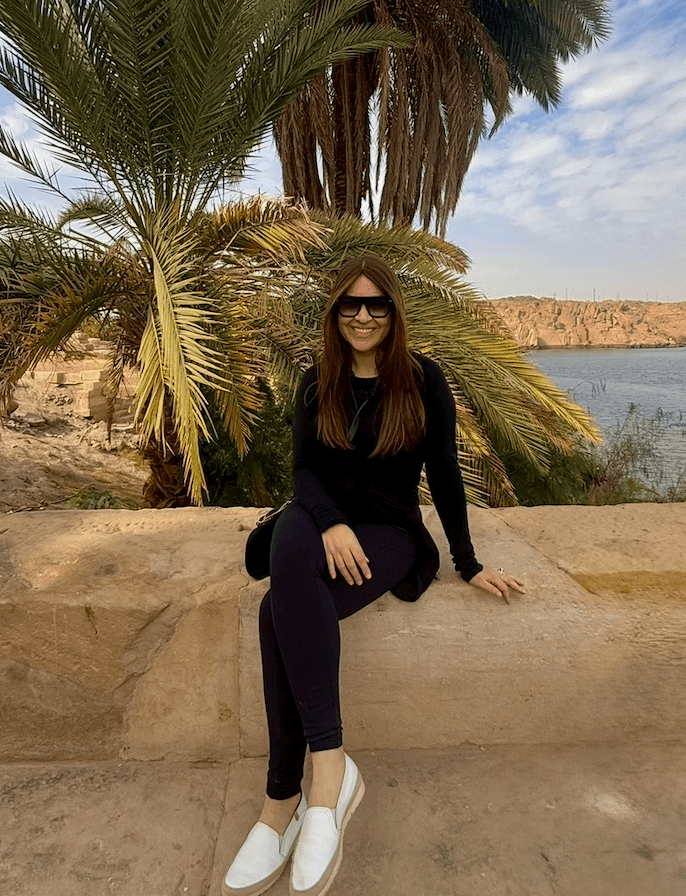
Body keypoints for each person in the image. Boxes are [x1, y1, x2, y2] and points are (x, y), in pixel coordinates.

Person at [223, 255, 525, 896]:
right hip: (320, 516)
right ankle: (323, 777)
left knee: (277, 608)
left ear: (393, 312)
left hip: (389, 533)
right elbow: (304, 470)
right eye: (350, 305)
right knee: (289, 554)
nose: (363, 316)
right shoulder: (317, 380)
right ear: (335, 314)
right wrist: (330, 521)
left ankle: (290, 797)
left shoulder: (423, 381)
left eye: (376, 304)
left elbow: (443, 474)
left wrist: (467, 563)